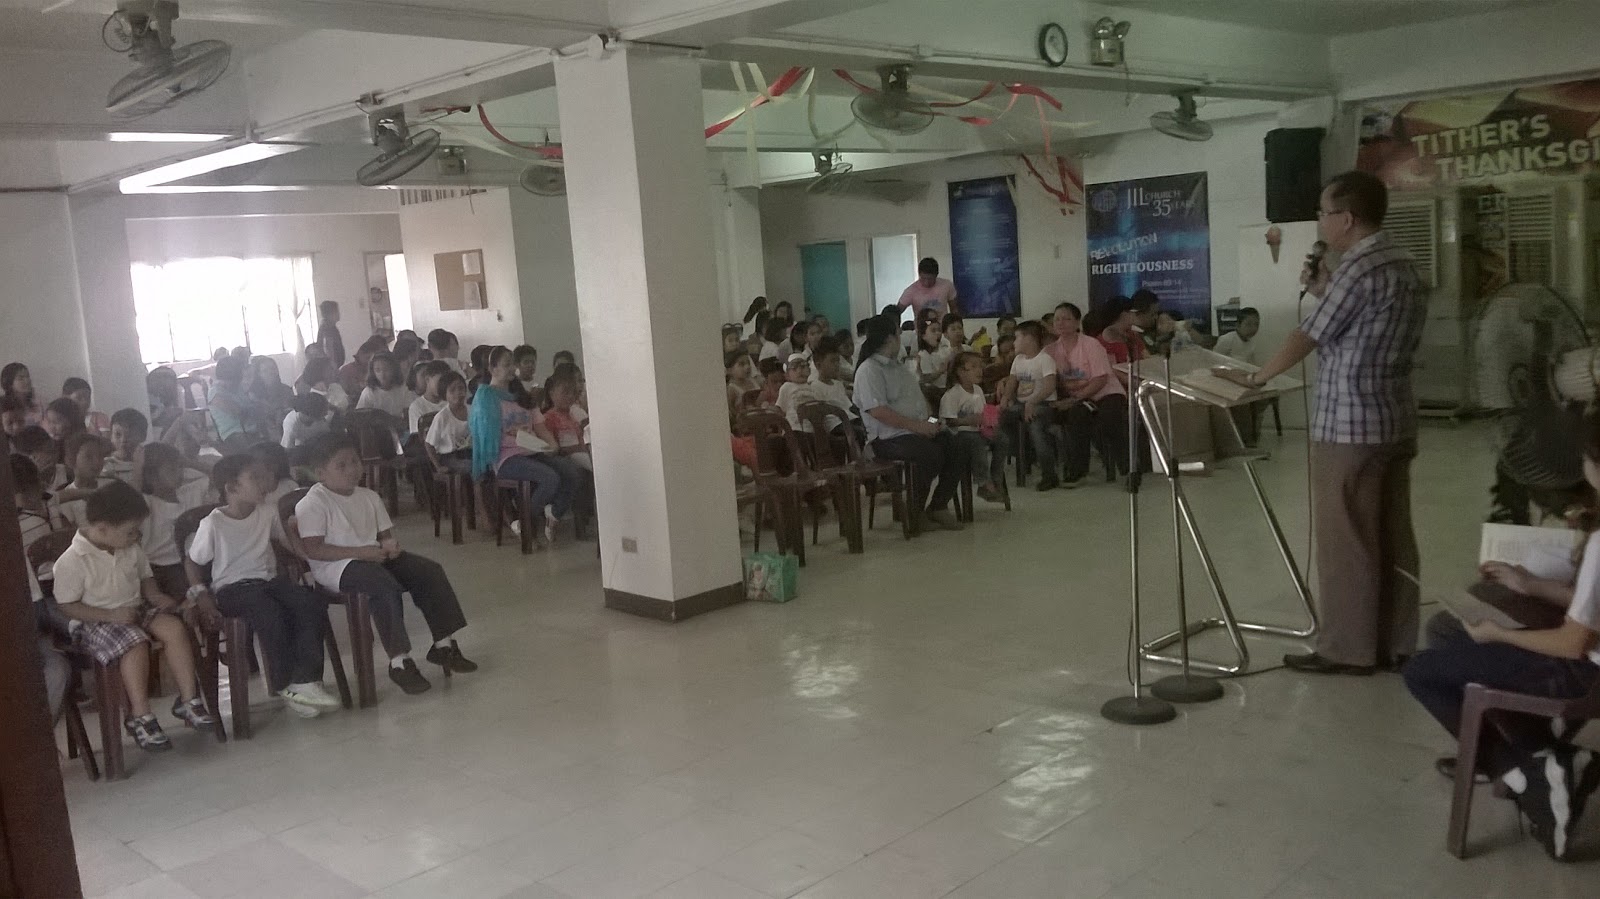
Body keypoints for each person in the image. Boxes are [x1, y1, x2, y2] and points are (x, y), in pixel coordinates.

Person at [1244, 171, 1427, 675]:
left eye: (1324, 213)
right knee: (1392, 536)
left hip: (1350, 426)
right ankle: (1395, 643)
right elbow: (1363, 327)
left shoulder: (1360, 266)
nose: (1320, 222)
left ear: (1346, 218)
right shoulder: (1403, 261)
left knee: (1347, 539)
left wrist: (1258, 377)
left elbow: (1310, 335)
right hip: (1394, 419)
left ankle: (1348, 649)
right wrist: (1325, 287)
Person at [1401, 411, 1600, 861]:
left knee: (1424, 671)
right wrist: (1534, 586)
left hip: (1585, 676)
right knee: (1454, 639)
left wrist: (1498, 635)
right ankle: (1548, 759)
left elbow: (1574, 644)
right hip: (1589, 664)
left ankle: (1522, 770)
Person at [295, 434, 475, 695]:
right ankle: (400, 661)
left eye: (355, 462)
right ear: (321, 473)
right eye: (341, 465)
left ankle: (444, 644)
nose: (352, 469)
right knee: (382, 584)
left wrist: (390, 546)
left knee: (429, 571)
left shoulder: (368, 496)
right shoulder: (313, 502)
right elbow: (314, 549)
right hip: (336, 567)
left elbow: (385, 536)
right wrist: (362, 553)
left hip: (372, 557)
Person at [54, 480, 215, 750]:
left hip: (134, 609)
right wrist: (110, 615)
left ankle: (189, 701)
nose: (137, 536)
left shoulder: (130, 547)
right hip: (95, 621)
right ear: (102, 528)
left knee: (174, 628)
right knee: (135, 642)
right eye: (131, 531)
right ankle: (140, 715)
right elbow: (67, 606)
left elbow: (145, 579)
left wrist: (157, 597)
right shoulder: (72, 560)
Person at [188, 454, 341, 719]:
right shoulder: (213, 523)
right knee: (269, 613)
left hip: (269, 582)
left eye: (264, 476)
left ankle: (306, 680)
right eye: (255, 478)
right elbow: (193, 560)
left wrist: (311, 556)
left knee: (310, 601)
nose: (264, 482)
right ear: (232, 487)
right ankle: (285, 683)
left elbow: (286, 542)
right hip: (233, 589)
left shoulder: (267, 512)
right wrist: (200, 593)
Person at [852, 316, 965, 533]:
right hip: (887, 438)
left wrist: (932, 423)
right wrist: (918, 427)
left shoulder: (900, 368)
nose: (901, 338)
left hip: (914, 430)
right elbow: (878, 411)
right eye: (898, 333)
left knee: (955, 445)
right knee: (929, 453)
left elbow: (919, 404)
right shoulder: (869, 370)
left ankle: (939, 506)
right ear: (889, 338)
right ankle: (914, 512)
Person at [469, 346, 582, 544]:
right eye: (506, 365)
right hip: (506, 457)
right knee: (550, 478)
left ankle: (554, 513)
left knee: (571, 472)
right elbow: (485, 434)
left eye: (512, 364)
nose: (512, 369)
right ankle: (524, 521)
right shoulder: (486, 397)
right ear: (493, 369)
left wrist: (552, 444)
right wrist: (513, 433)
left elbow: (540, 426)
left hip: (533, 450)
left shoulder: (521, 395)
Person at [1046, 303, 1127, 486]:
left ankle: (1128, 468)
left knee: (1111, 417)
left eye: (1066, 319)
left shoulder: (1091, 344)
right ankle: (1078, 471)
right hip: (1081, 398)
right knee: (1076, 415)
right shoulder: (1051, 350)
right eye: (1057, 319)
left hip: (1106, 391)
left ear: (1077, 322)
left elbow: (1101, 379)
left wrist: (1075, 398)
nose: (1061, 323)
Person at [139, 442, 214, 600]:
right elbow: (130, 498)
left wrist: (188, 462)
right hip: (163, 567)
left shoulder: (190, 492)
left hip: (195, 561)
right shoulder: (146, 503)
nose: (179, 473)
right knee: (192, 597)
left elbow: (219, 476)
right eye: (172, 469)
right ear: (152, 477)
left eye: (180, 467)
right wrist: (137, 468)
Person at [1000, 321, 1061, 491]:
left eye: (1017, 337)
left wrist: (1033, 401)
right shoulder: (1018, 360)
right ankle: (1024, 454)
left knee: (1036, 429)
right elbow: (1012, 382)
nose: (1014, 342)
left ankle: (1049, 474)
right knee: (1002, 418)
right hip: (1022, 403)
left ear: (1029, 339)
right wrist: (1005, 397)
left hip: (1043, 403)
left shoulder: (1045, 359)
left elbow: (1050, 386)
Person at [942, 351, 1007, 503]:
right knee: (976, 442)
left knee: (1002, 439)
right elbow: (949, 421)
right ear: (960, 372)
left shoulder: (978, 390)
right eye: (974, 367)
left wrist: (991, 421)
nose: (979, 370)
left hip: (978, 430)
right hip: (959, 434)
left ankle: (996, 478)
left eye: (980, 366)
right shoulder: (952, 394)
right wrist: (967, 420)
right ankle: (983, 482)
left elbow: (982, 412)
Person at [55, 434, 114, 528]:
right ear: (71, 460)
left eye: (100, 456)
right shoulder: (66, 499)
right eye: (88, 456)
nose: (97, 462)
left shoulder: (112, 486)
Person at [543, 366, 592, 473]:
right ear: (552, 392)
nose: (570, 396)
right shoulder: (549, 418)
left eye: (573, 393)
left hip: (581, 454)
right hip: (565, 458)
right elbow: (551, 446)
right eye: (565, 392)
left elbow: (582, 441)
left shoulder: (574, 417)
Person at [209, 356, 264, 448]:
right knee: (259, 448)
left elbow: (256, 404)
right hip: (233, 433)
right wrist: (255, 407)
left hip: (251, 429)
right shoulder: (215, 392)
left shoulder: (238, 388)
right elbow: (237, 412)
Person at [424, 371, 473, 473]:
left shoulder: (473, 410)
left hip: (471, 452)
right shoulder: (442, 417)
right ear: (444, 394)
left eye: (461, 388)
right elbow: (429, 444)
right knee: (471, 466)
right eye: (452, 390)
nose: (458, 393)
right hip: (450, 457)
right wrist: (438, 467)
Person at [356, 352, 417, 432]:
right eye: (378, 370)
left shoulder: (403, 389)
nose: (382, 374)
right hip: (374, 432)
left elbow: (408, 416)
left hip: (398, 430)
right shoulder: (369, 392)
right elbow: (360, 417)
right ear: (372, 372)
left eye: (387, 369)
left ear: (394, 369)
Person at [248, 357, 294, 438]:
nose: (270, 372)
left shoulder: (286, 390)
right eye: (265, 370)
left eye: (272, 368)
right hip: (262, 431)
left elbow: (291, 409)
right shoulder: (253, 394)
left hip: (286, 428)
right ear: (259, 374)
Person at [103, 408, 149, 485]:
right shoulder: (103, 466)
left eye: (130, 435)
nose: (123, 440)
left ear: (143, 436)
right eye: (117, 434)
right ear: (111, 436)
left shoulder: (150, 464)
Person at [776, 354, 818, 431]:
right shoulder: (786, 387)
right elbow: (780, 409)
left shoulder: (814, 386)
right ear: (787, 375)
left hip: (813, 427)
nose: (799, 371)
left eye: (803, 367)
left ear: (809, 370)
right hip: (794, 428)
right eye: (794, 369)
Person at [408, 360, 451, 435]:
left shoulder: (451, 401)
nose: (442, 386)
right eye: (439, 382)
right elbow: (418, 437)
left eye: (445, 383)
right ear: (427, 380)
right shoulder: (417, 407)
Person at [341, 336, 388, 403]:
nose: (370, 361)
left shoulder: (378, 371)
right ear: (360, 355)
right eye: (368, 358)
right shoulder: (347, 370)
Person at [912, 319, 951, 387]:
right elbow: (925, 378)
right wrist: (940, 371)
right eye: (933, 331)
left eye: (939, 330)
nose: (938, 333)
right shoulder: (923, 354)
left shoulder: (945, 350)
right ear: (924, 336)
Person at [725, 349, 760, 419]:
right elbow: (731, 411)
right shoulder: (732, 389)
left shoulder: (754, 381)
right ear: (730, 370)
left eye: (748, 363)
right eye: (741, 364)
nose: (747, 367)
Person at [316, 300, 346, 367]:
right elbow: (328, 348)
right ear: (330, 314)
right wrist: (333, 366)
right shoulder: (328, 328)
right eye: (336, 311)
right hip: (332, 366)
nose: (339, 314)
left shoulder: (330, 327)